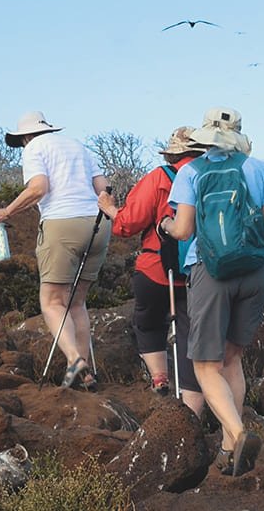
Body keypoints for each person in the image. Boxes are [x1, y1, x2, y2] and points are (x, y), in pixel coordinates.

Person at [161, 107, 264, 477]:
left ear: (205, 136)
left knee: (204, 365)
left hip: (212, 272)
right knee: (232, 358)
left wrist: (166, 224)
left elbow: (184, 231)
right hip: (256, 271)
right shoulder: (258, 168)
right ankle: (231, 450)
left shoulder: (191, 172)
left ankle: (238, 432)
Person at [0, 111, 111, 390]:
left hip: (62, 224)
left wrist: (7, 211)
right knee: (76, 302)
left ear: (25, 137)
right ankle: (85, 374)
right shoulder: (79, 146)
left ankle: (75, 361)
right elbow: (104, 189)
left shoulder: (34, 148)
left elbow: (39, 188)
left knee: (53, 302)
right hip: (98, 225)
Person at [97, 126, 207, 415]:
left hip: (157, 269)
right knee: (191, 339)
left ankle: (160, 378)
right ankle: (192, 414)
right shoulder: (212, 177)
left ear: (173, 154)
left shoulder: (160, 178)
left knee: (148, 322)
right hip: (203, 272)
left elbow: (128, 224)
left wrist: (109, 208)